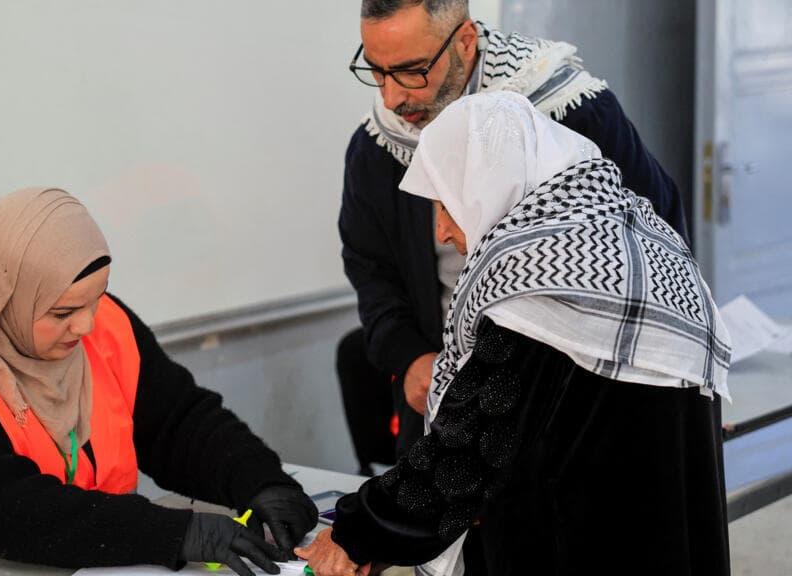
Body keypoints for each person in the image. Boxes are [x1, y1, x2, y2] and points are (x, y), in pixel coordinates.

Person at [299, 92, 731, 576]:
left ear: (489, 184)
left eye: (445, 204)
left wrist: (357, 533)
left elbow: (462, 456)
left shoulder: (539, 285)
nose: (440, 231)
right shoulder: (648, 243)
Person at [0, 188, 317, 576]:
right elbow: (4, 507)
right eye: (62, 312)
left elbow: (178, 423)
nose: (87, 326)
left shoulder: (100, 324)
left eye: (97, 298)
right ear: (5, 298)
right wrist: (177, 533)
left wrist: (260, 481)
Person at [336, 0, 689, 477]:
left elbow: (658, 239)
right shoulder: (380, 145)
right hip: (450, 401)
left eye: (411, 71)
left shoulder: (567, 112)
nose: (393, 97)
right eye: (376, 72)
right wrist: (411, 357)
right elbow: (369, 267)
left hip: (576, 409)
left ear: (465, 42)